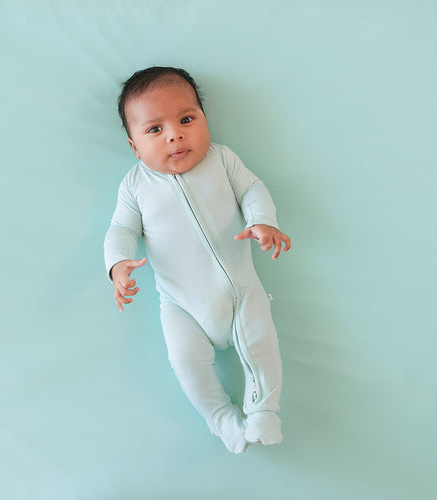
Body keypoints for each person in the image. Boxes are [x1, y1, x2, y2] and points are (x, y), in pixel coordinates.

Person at [104, 66, 291, 454]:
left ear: (204, 120)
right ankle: (222, 420)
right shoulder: (135, 186)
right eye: (155, 129)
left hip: (242, 291)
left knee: (262, 344)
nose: (175, 134)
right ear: (134, 146)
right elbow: (121, 230)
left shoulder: (222, 160)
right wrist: (117, 264)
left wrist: (262, 222)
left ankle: (263, 412)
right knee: (185, 362)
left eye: (186, 119)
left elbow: (253, 190)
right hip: (181, 304)